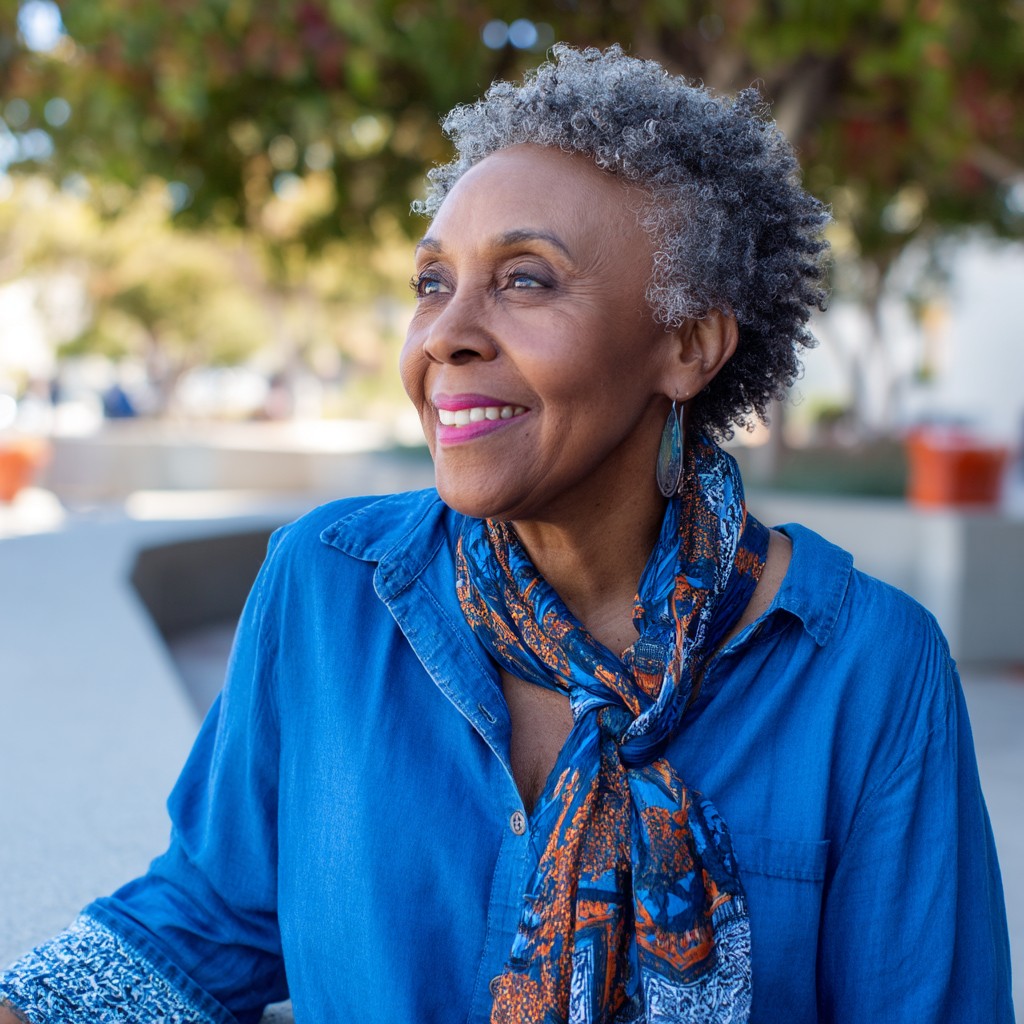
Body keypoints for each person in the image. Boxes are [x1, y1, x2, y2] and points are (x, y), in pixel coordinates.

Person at [0, 43, 1014, 1024]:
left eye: (525, 279)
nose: (446, 333)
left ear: (688, 344)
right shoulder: (327, 589)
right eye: (433, 282)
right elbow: (206, 920)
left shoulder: (864, 667)